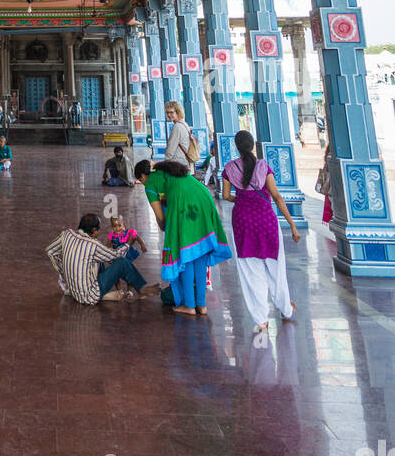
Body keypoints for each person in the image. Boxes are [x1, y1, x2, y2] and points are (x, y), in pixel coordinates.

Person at [222, 130, 299, 332]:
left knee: (250, 270)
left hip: (243, 223)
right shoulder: (264, 167)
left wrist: (240, 198)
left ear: (237, 147)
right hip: (266, 222)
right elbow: (277, 197)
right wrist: (292, 224)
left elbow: (225, 195)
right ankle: (285, 309)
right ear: (252, 146)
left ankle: (260, 319)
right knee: (276, 268)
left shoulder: (229, 168)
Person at [135, 159, 231, 317]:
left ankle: (189, 305)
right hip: (204, 198)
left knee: (185, 257)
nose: (143, 183)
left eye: (141, 180)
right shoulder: (172, 172)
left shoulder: (150, 183)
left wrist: (167, 227)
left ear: (143, 177)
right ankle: (202, 305)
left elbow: (160, 217)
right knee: (199, 255)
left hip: (185, 206)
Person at [45, 212, 157, 303]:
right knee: (122, 262)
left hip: (73, 290)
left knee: (99, 260)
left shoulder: (67, 234)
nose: (99, 232)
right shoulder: (93, 244)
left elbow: (50, 251)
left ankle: (108, 295)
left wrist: (63, 271)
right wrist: (128, 244)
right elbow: (116, 256)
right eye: (98, 229)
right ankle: (141, 289)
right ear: (94, 231)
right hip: (89, 296)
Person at [164, 101, 196, 170]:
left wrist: (165, 163)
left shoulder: (177, 127)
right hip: (186, 163)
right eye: (167, 112)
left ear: (178, 112)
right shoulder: (184, 124)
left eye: (171, 112)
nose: (169, 115)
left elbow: (170, 150)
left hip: (178, 165)